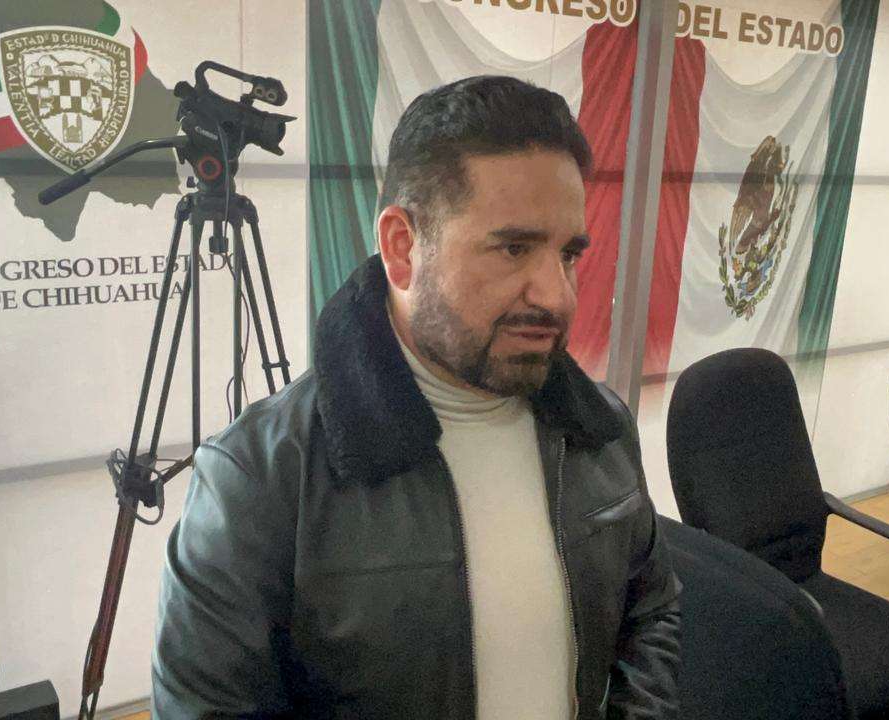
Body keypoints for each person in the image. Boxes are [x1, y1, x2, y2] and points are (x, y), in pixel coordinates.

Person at [153, 75, 681, 719]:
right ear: (402, 248)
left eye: (568, 254)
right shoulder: (258, 480)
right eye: (514, 248)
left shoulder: (600, 429)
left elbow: (651, 611)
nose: (557, 295)